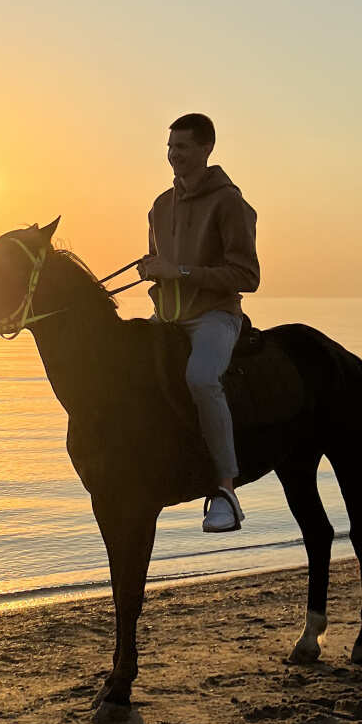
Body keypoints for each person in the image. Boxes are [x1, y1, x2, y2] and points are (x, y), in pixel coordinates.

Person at [137, 113, 259, 534]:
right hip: (166, 318)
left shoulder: (230, 203)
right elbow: (162, 266)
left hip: (214, 316)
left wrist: (181, 272)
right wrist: (152, 269)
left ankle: (225, 490)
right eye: (170, 147)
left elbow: (247, 276)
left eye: (183, 147)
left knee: (202, 379)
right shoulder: (159, 206)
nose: (175, 155)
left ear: (207, 148)